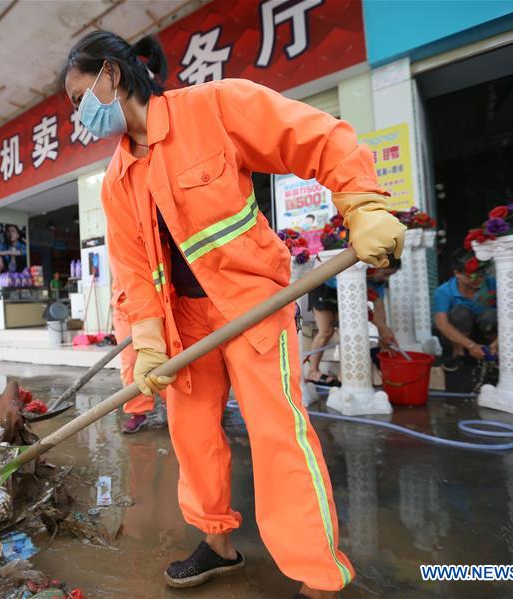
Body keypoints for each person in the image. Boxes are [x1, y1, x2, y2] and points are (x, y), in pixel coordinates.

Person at [62, 31, 405, 598]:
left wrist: (362, 203)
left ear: (112, 76)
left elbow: (316, 139)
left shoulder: (215, 108)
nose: (80, 117)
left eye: (80, 99)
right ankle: (217, 544)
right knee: (194, 440)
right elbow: (132, 274)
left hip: (252, 308)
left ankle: (319, 574)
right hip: (184, 324)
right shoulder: (118, 182)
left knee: (279, 437)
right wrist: (148, 343)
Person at [306, 258, 400, 385]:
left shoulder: (378, 282)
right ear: (376, 267)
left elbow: (379, 309)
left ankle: (346, 375)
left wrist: (384, 334)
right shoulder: (361, 269)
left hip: (347, 290)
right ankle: (313, 372)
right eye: (385, 274)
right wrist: (382, 328)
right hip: (324, 286)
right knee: (326, 330)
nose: (387, 279)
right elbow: (347, 286)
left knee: (348, 330)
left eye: (390, 275)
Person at [434, 249, 497, 370]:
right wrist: (471, 346)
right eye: (471, 277)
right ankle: (459, 355)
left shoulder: (493, 284)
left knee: (490, 315)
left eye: (481, 275)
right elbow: (442, 325)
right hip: (459, 337)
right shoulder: (443, 291)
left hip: (486, 334)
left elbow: (510, 316)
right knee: (460, 313)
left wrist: (497, 344)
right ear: (457, 273)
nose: (478, 280)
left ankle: (494, 353)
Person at [112, 277, 155, 433]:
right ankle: (138, 412)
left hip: (153, 304)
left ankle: (175, 405)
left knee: (166, 358)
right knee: (130, 362)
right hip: (124, 308)